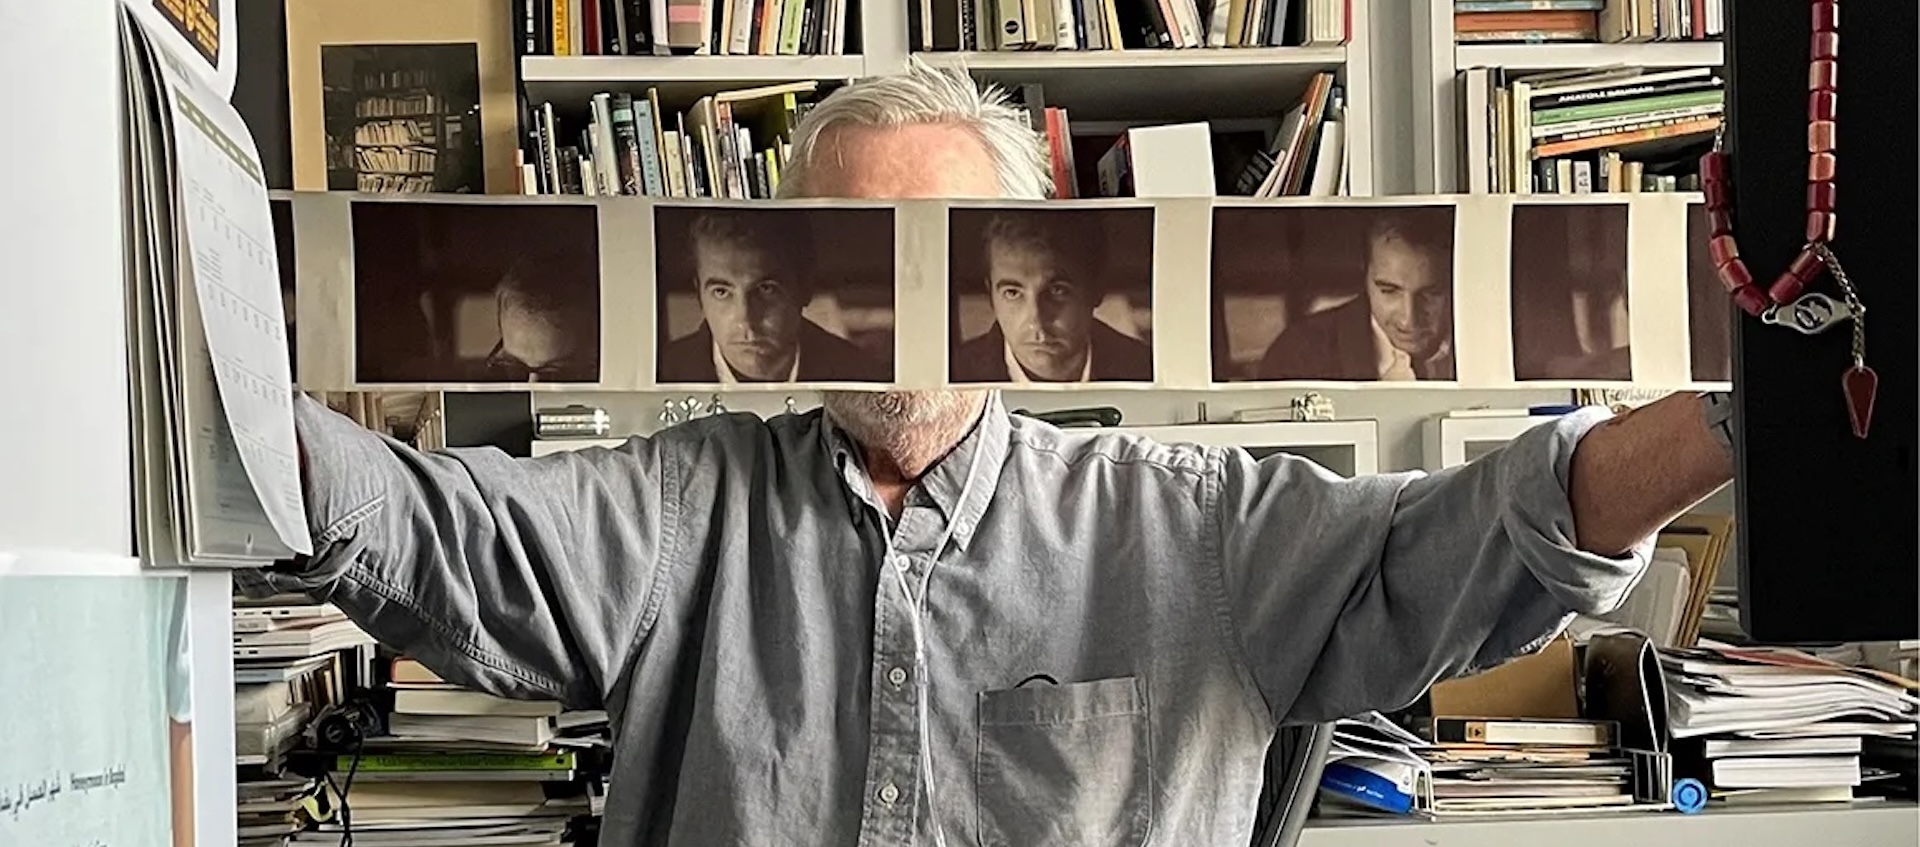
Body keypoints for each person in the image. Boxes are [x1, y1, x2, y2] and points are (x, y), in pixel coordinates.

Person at [244, 60, 1737, 846]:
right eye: (844, 250)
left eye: (942, 256)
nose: (891, 306)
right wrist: (210, 366)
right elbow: (430, 528)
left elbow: (1491, 533)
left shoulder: (1197, 525)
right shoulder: (684, 505)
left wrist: (1742, 408)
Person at [656, 209, 890, 383]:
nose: (746, 322)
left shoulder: (861, 375)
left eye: (766, 289)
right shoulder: (665, 372)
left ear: (804, 289)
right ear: (699, 295)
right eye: (721, 292)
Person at [950, 211, 1153, 382]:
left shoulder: (1145, 368)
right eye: (1012, 293)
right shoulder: (955, 374)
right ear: (991, 295)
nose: (1036, 321)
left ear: (1096, 291)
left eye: (1058, 291)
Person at [1258, 214, 1454, 381]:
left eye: (1431, 293)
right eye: (1388, 291)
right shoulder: (1296, 354)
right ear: (1365, 274)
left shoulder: (1483, 344)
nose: (1408, 319)